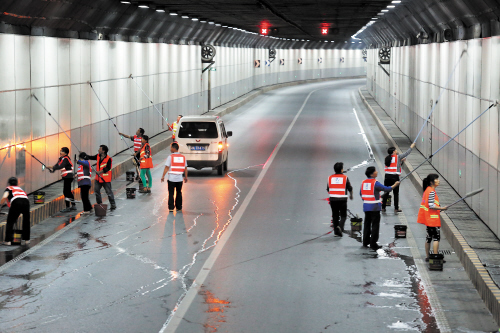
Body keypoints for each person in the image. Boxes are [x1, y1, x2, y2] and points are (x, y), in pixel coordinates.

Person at [360, 166, 400, 250]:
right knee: (375, 225)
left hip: (366, 206)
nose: (377, 172)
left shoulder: (363, 182)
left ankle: (365, 241)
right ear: (372, 174)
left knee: (367, 224)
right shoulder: (375, 183)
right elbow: (387, 189)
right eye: (375, 171)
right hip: (375, 207)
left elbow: (361, 194)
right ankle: (373, 243)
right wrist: (395, 185)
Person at [417, 174, 448, 262]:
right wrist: (442, 208)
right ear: (431, 182)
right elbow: (431, 205)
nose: (438, 180)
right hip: (433, 219)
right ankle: (435, 257)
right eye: (436, 179)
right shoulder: (431, 192)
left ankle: (428, 256)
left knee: (429, 237)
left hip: (428, 219)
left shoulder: (427, 190)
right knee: (436, 238)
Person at [382, 143, 415, 213]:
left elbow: (394, 164)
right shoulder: (398, 157)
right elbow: (407, 153)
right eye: (395, 150)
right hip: (395, 177)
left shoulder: (387, 158)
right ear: (393, 152)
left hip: (387, 177)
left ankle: (383, 207)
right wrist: (411, 147)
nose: (396, 151)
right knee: (396, 193)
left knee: (386, 192)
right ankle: (396, 208)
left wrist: (401, 161)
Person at [86, 145, 117, 210]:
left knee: (109, 192)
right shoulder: (98, 156)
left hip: (105, 179)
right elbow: (91, 157)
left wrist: (101, 171)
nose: (98, 150)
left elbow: (108, 168)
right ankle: (99, 204)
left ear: (103, 151)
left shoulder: (109, 159)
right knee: (96, 191)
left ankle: (113, 204)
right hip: (98, 178)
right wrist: (84, 155)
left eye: (100, 149)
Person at [1, 177, 30, 245]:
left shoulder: (8, 188)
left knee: (10, 221)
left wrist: (0, 205)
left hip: (16, 202)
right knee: (26, 221)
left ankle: (8, 241)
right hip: (26, 202)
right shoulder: (20, 189)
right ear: (17, 183)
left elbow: (4, 197)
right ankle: (27, 240)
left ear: (9, 183)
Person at [327, 162, 353, 237]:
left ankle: (336, 232)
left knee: (335, 215)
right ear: (341, 170)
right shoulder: (345, 177)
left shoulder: (330, 177)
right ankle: (340, 227)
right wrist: (351, 194)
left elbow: (328, 188)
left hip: (333, 199)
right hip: (342, 199)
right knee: (343, 215)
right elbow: (349, 187)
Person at [47, 147, 76, 212]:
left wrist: (52, 167)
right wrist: (52, 170)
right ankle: (73, 205)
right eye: (60, 151)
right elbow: (57, 165)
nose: (60, 152)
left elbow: (60, 166)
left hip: (68, 177)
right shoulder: (61, 159)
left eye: (62, 151)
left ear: (65, 153)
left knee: (66, 192)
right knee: (67, 191)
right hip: (66, 177)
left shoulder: (66, 159)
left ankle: (68, 207)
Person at [161, 142, 188, 212]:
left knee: (171, 193)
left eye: (170, 147)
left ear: (173, 148)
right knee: (179, 192)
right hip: (179, 179)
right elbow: (185, 168)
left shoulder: (170, 157)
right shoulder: (183, 157)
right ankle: (179, 207)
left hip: (171, 179)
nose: (170, 149)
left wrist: (163, 176)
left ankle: (171, 208)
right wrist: (186, 177)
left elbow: (167, 167)